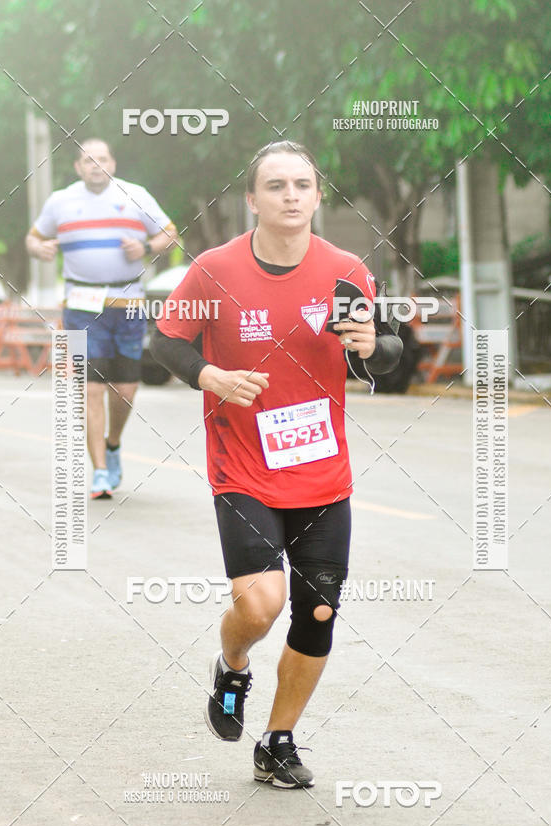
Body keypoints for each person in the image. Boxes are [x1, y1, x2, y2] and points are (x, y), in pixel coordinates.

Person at [151, 141, 402, 789]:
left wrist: (376, 344)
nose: (290, 195)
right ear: (252, 199)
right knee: (260, 604)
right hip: (243, 466)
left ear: (318, 196)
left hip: (322, 472)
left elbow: (375, 357)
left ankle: (278, 740)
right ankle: (232, 662)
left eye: (301, 184)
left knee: (316, 612)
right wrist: (210, 374)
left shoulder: (346, 270)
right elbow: (166, 340)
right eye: (275, 185)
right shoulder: (214, 270)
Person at [26, 138, 178, 499]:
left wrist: (146, 247)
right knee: (91, 387)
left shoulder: (135, 195)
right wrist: (41, 248)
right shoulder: (60, 201)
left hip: (127, 306)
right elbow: (33, 239)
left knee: (124, 389)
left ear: (113, 163)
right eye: (87, 161)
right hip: (81, 307)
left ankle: (112, 445)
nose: (96, 165)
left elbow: (169, 233)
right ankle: (98, 471)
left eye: (102, 159)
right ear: (79, 167)